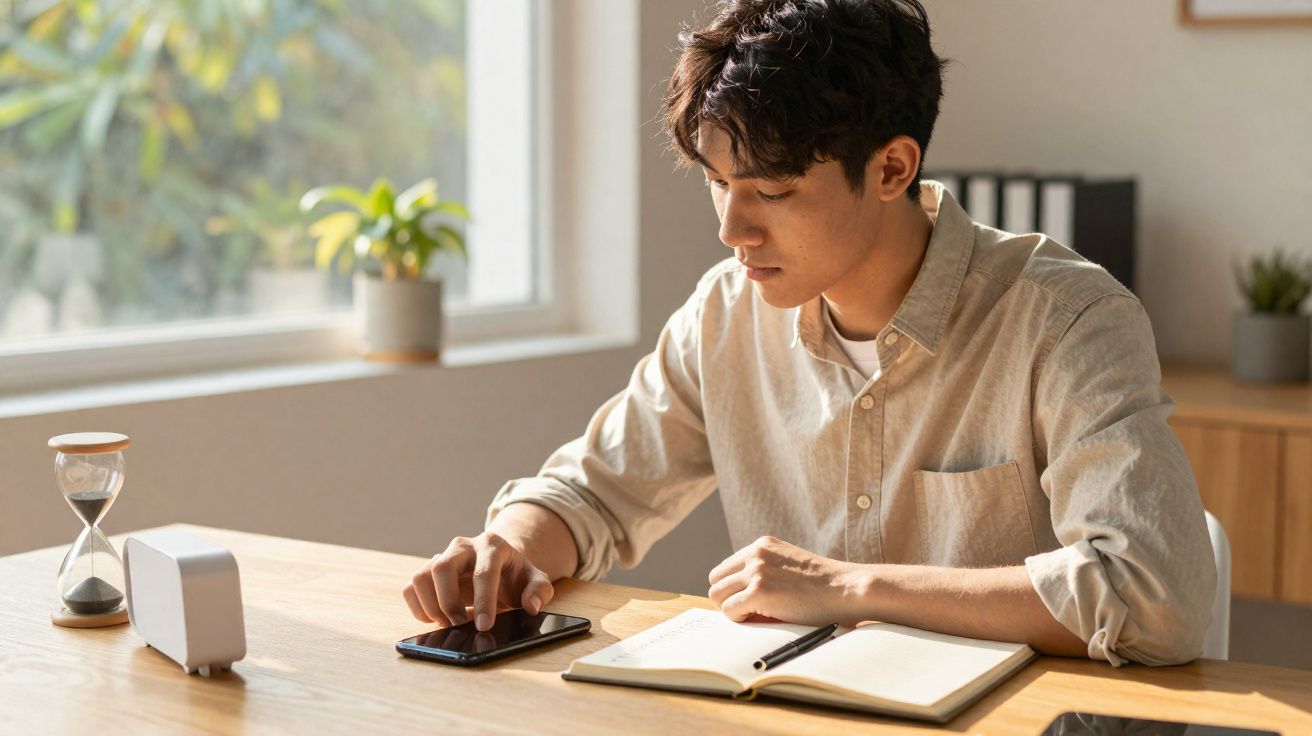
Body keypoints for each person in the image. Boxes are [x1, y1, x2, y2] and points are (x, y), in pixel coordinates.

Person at [402, 0, 1216, 667]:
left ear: (893, 169)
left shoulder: (1066, 319)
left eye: (773, 191)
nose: (732, 229)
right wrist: (506, 548)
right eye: (718, 184)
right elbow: (591, 493)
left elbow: (1151, 595)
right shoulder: (726, 312)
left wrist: (849, 587)